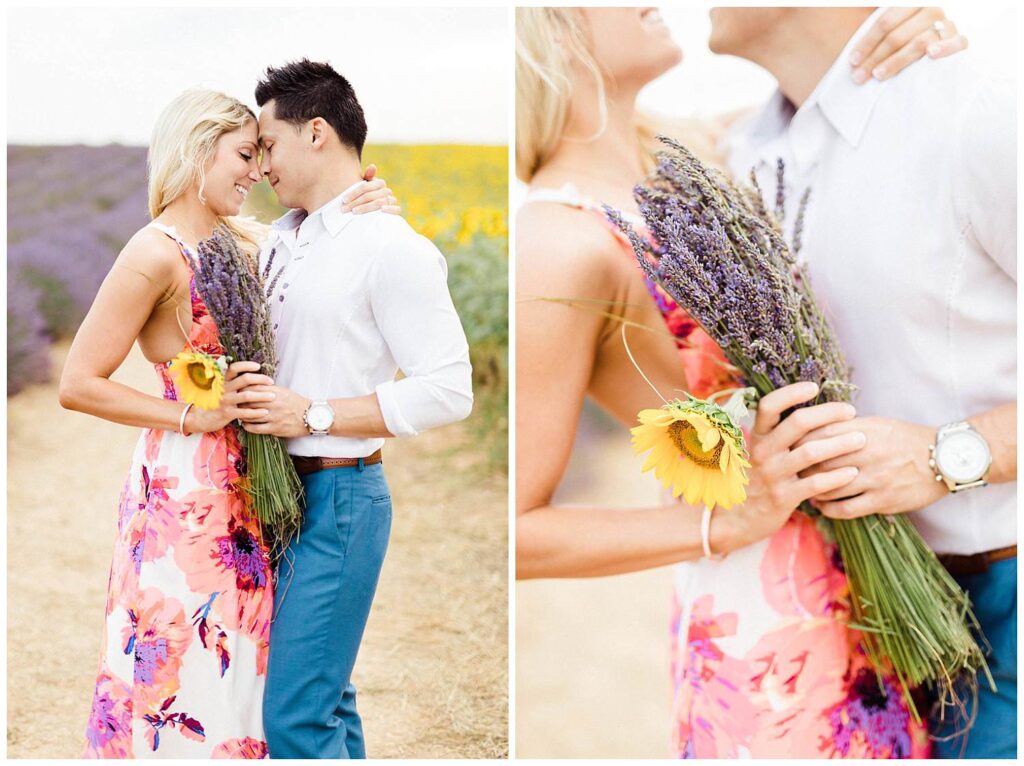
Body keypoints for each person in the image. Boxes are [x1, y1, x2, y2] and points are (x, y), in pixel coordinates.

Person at [515, 7, 967, 758]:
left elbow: (835, 92)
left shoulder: (701, 153)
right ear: (548, 33)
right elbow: (518, 532)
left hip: (876, 583)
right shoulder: (556, 243)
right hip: (768, 626)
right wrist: (724, 521)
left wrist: (912, 34)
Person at [711, 7, 1016, 758]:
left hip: (1002, 601)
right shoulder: (746, 149)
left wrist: (950, 453)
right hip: (844, 607)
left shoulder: (975, 109)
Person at [62, 88, 395, 758]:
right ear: (196, 151)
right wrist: (196, 414)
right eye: (246, 154)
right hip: (188, 496)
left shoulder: (246, 238)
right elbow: (78, 384)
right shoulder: (153, 253)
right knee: (190, 665)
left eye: (261, 154)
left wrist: (371, 209)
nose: (256, 171)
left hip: (261, 485)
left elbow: (329, 269)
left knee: (253, 664)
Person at [231, 60, 473, 759]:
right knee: (322, 698)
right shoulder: (280, 239)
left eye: (267, 145)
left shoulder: (391, 248)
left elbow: (449, 388)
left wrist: (312, 413)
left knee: (297, 720)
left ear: (315, 133)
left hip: (337, 497)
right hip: (272, 496)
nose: (260, 163)